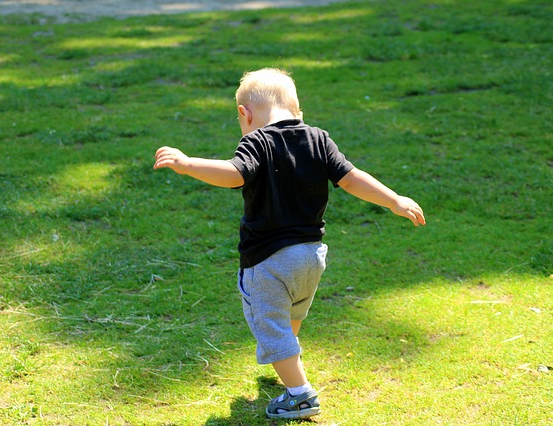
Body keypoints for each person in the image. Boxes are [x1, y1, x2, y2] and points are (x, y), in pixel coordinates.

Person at [153, 68, 426, 419]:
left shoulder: (257, 141)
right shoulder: (318, 138)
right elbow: (352, 177)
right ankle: (289, 367)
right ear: (297, 110)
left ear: (245, 114)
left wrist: (189, 164)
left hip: (268, 261)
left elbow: (234, 174)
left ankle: (300, 394)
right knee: (291, 315)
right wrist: (393, 200)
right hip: (312, 256)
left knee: (270, 324)